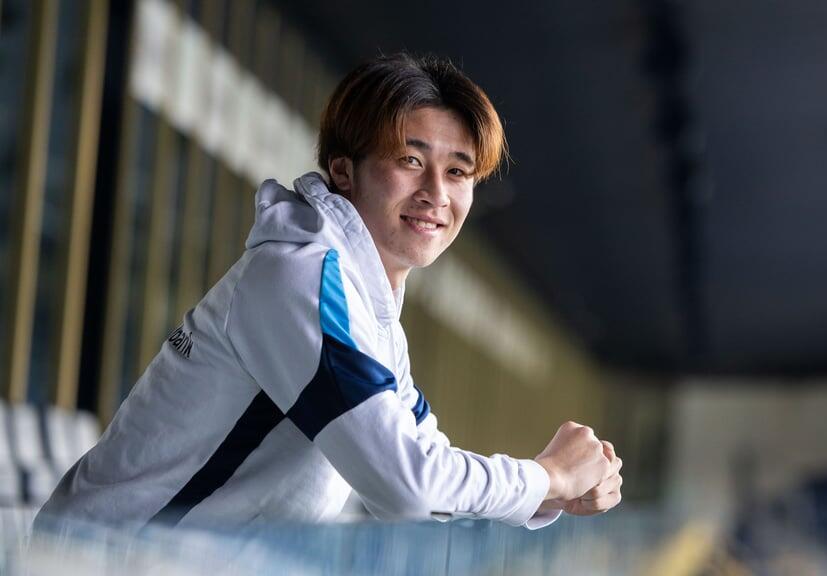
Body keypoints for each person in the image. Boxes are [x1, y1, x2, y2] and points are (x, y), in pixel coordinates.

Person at [40, 53, 623, 529]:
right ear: (343, 170)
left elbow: (429, 473)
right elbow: (408, 489)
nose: (435, 194)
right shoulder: (301, 278)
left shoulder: (368, 307)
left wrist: (554, 492)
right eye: (410, 160)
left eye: (457, 172)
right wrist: (548, 476)